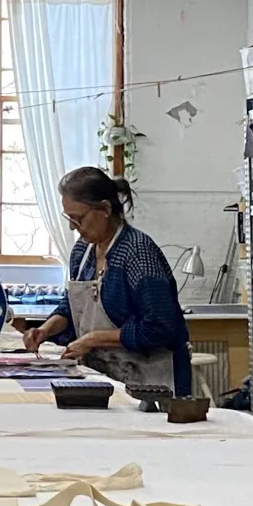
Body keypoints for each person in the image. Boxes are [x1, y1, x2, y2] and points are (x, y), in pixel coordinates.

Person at [23, 167, 192, 395]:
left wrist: (94, 339)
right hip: (104, 378)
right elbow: (71, 306)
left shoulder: (138, 255)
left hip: (152, 383)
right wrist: (45, 329)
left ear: (104, 209)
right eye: (69, 218)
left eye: (78, 218)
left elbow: (159, 328)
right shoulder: (82, 252)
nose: (73, 226)